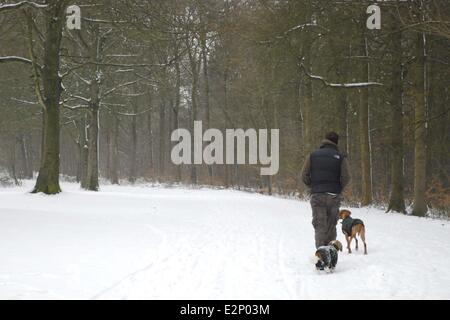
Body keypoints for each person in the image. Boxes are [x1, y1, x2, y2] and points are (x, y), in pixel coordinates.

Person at [301, 132, 351, 249]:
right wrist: (338, 188)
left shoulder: (312, 155)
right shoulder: (340, 157)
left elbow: (304, 175)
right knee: (331, 226)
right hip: (334, 195)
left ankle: (321, 256)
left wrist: (312, 186)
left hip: (317, 195)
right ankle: (331, 255)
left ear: (324, 141)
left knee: (319, 225)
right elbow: (347, 177)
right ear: (336, 143)